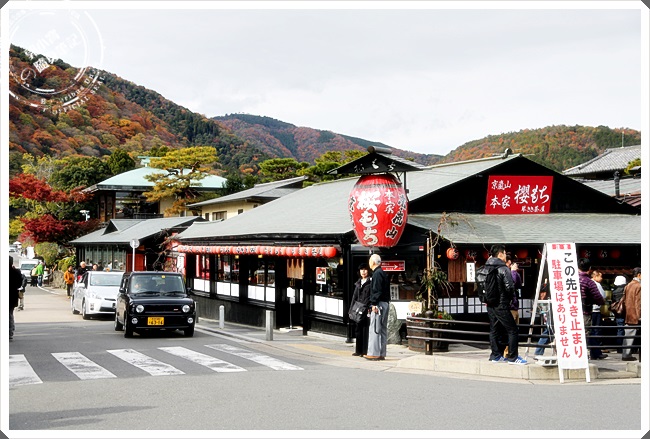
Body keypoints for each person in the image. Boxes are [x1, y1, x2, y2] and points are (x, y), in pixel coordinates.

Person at [485, 244, 526, 364]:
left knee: (494, 329)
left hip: (490, 304)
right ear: (500, 254)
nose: (505, 255)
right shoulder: (503, 268)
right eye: (505, 252)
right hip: (502, 304)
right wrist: (509, 300)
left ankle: (495, 355)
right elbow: (509, 287)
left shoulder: (486, 267)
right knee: (512, 330)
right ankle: (513, 357)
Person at [577, 258, 606, 360]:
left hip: (570, 312)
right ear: (589, 269)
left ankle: (575, 354)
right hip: (585, 311)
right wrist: (600, 302)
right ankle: (583, 355)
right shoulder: (589, 282)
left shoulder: (570, 280)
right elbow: (598, 297)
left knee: (574, 333)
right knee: (585, 333)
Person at [366, 254, 390, 361]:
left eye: (370, 261)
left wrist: (374, 304)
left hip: (378, 304)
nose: (369, 263)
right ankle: (381, 353)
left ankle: (373, 353)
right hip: (385, 303)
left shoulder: (376, 274)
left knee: (375, 328)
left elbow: (377, 290)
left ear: (373, 262)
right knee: (382, 329)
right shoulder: (383, 273)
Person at [351, 263, 372, 357]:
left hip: (366, 309)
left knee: (365, 330)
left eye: (365, 269)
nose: (363, 271)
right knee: (358, 329)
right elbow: (354, 297)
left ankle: (364, 351)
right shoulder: (358, 283)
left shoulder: (370, 283)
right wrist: (351, 310)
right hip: (357, 310)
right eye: (361, 270)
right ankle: (358, 350)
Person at [622, 267, 641, 361]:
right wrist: (640, 316)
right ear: (639, 275)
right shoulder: (639, 286)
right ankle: (627, 355)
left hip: (628, 313)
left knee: (628, 335)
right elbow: (639, 303)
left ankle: (626, 354)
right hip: (635, 314)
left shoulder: (628, 285)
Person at [589, 269, 608, 360]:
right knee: (595, 331)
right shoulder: (595, 284)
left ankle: (595, 352)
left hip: (591, 310)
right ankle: (596, 352)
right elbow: (602, 296)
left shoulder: (590, 283)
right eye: (600, 276)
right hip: (595, 310)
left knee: (593, 331)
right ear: (595, 276)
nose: (601, 278)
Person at [534, 279, 551, 357]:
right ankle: (538, 352)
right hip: (549, 319)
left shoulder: (543, 298)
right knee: (547, 334)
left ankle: (538, 352)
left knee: (547, 334)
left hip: (548, 318)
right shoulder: (544, 298)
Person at [611, 275, 627, 350]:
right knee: (627, 330)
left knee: (619, 329)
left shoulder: (614, 291)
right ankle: (626, 347)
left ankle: (619, 348)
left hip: (618, 312)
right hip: (625, 311)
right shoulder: (626, 290)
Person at [9, 256, 23, 341]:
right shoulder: (16, 272)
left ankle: (9, 331)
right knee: (10, 313)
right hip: (13, 295)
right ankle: (10, 331)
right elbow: (19, 284)